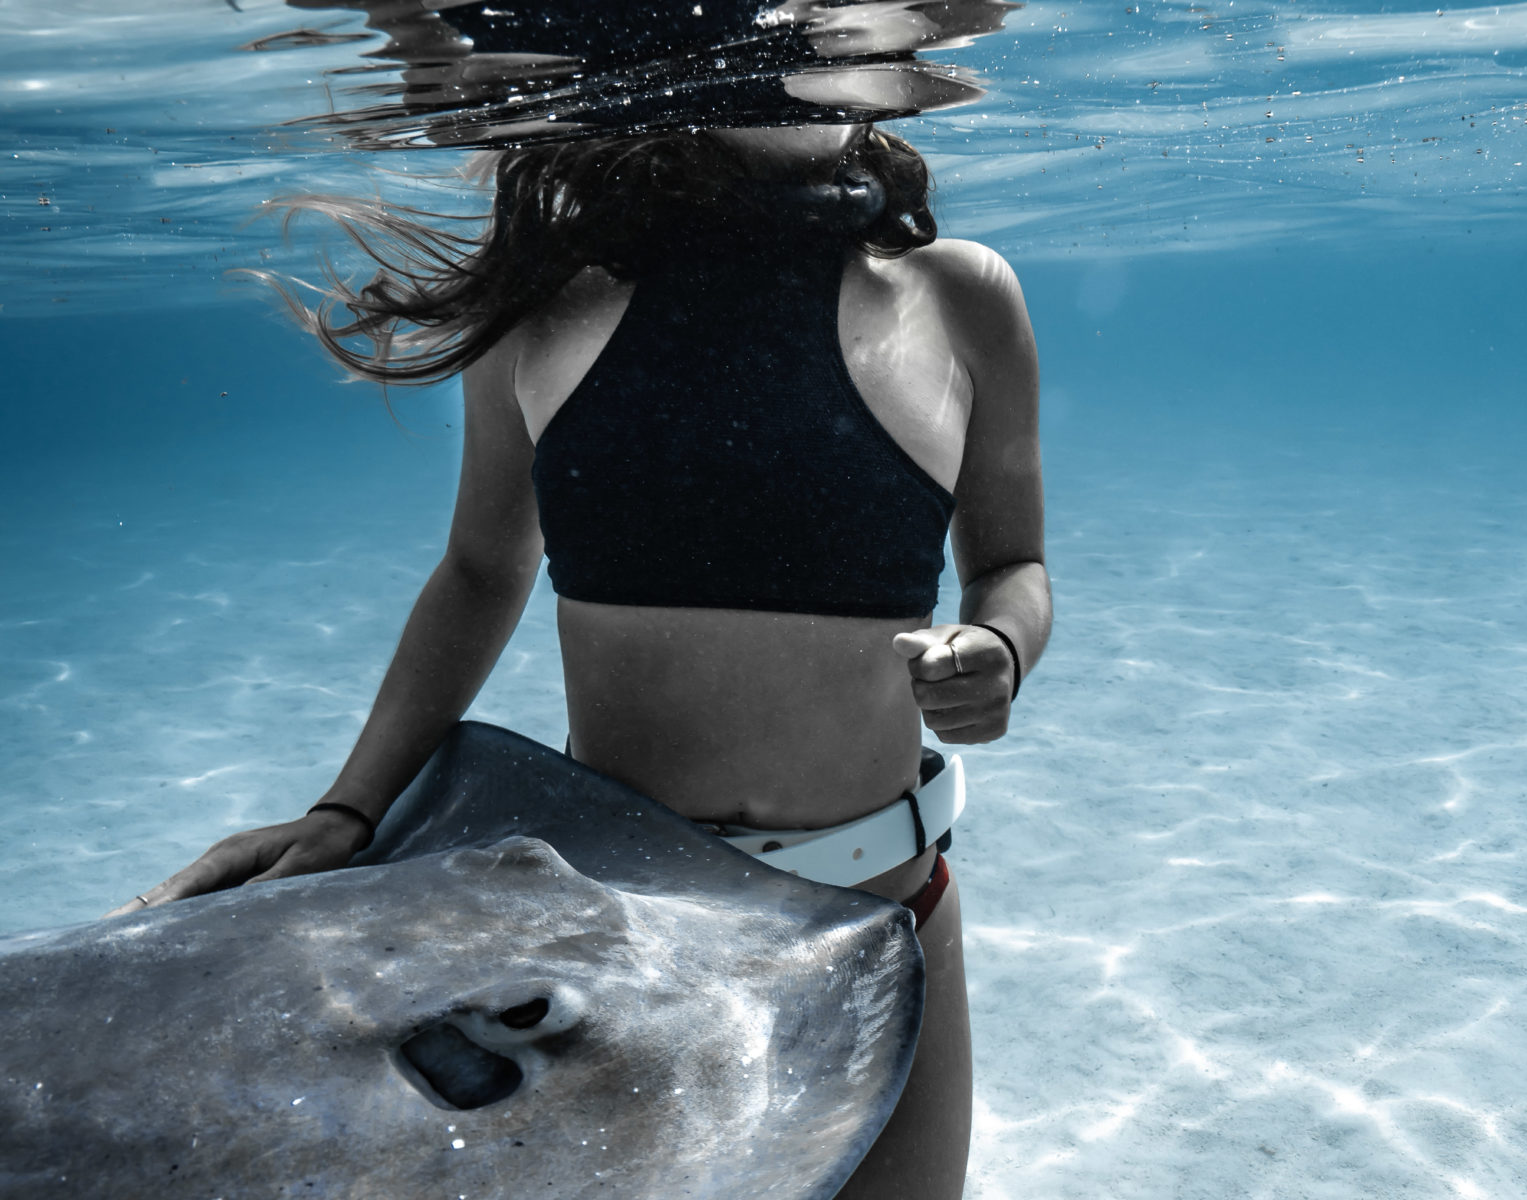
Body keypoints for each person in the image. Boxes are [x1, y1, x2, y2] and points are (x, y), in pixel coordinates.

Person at [108, 122, 1048, 1200]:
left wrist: (1000, 644)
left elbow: (1012, 562)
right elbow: (477, 571)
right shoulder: (549, 307)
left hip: (888, 915)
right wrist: (350, 809)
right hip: (619, 958)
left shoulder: (960, 292)